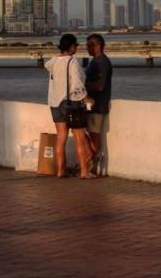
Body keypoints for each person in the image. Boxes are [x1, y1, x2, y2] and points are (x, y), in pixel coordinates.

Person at [45, 34, 96, 179]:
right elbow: (77, 83)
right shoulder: (73, 62)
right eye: (75, 46)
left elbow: (47, 66)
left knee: (61, 138)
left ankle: (61, 171)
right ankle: (85, 172)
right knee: (80, 137)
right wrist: (86, 97)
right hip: (71, 103)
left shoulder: (53, 62)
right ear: (72, 46)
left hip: (55, 103)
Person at [85, 34, 112, 174]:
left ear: (97, 45)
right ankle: (90, 162)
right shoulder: (95, 61)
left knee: (94, 135)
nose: (87, 48)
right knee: (86, 133)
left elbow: (100, 86)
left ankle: (91, 165)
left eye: (89, 45)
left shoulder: (102, 62)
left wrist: (83, 86)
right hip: (92, 105)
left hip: (98, 105)